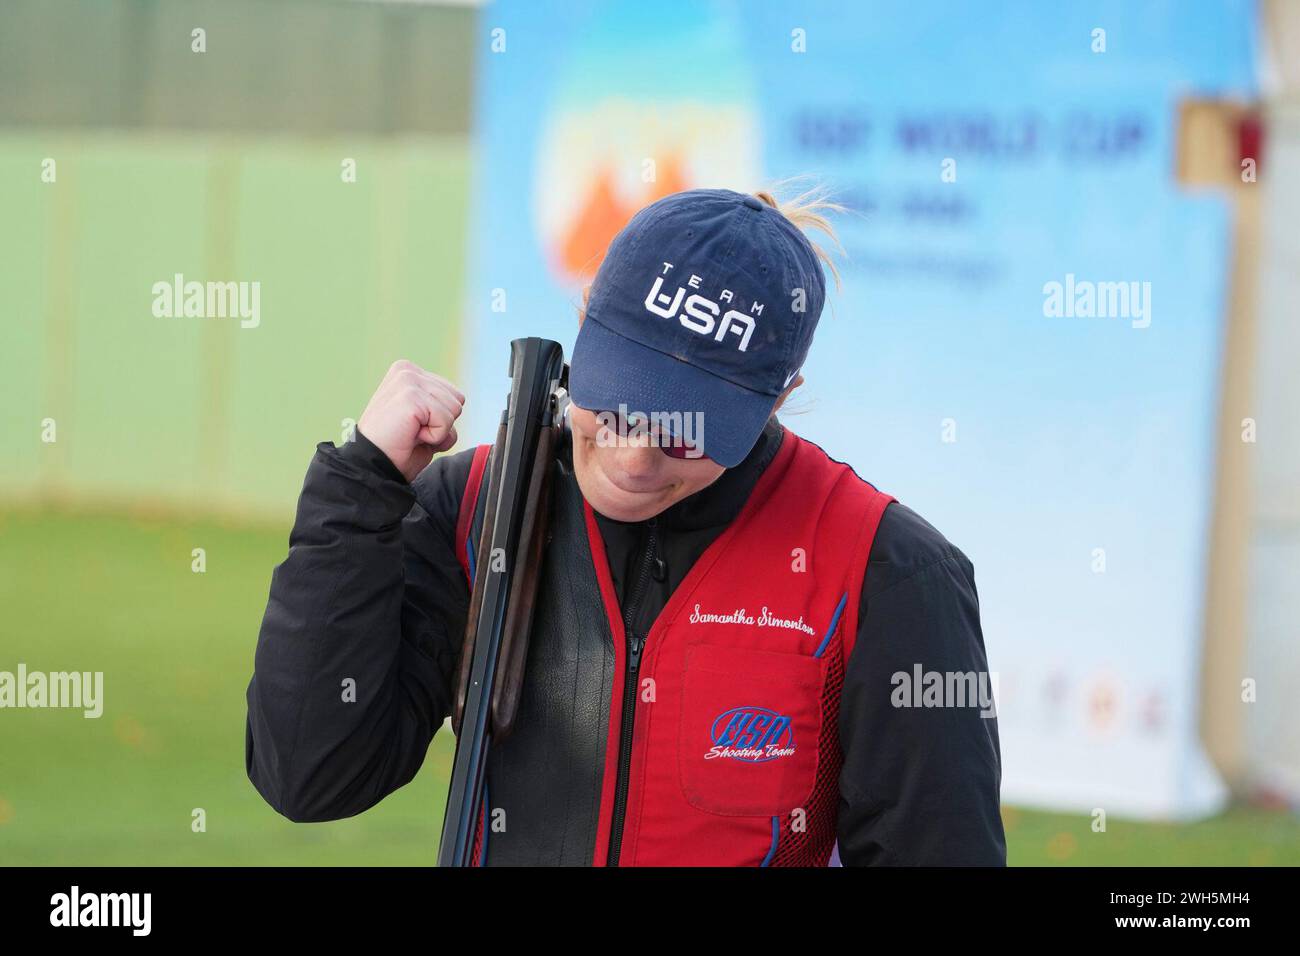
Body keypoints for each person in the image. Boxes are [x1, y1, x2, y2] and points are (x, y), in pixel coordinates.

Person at [245, 186, 1006, 866]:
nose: (636, 459)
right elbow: (312, 776)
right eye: (615, 404)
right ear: (583, 324)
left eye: (686, 431)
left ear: (778, 397)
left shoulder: (889, 572)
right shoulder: (475, 504)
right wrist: (360, 492)